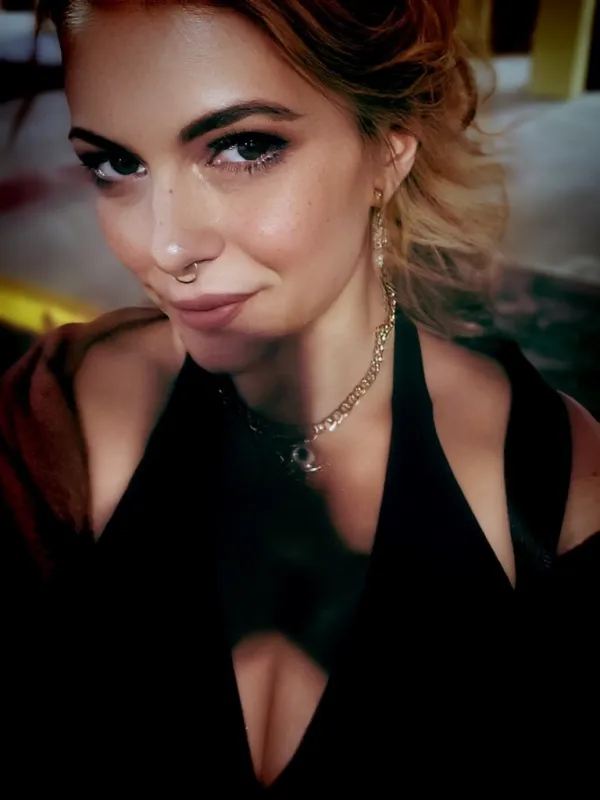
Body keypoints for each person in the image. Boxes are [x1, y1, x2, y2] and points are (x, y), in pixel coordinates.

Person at [1, 0, 599, 793]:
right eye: (116, 165)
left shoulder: (554, 482)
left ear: (388, 151)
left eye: (244, 147)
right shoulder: (62, 408)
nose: (165, 245)